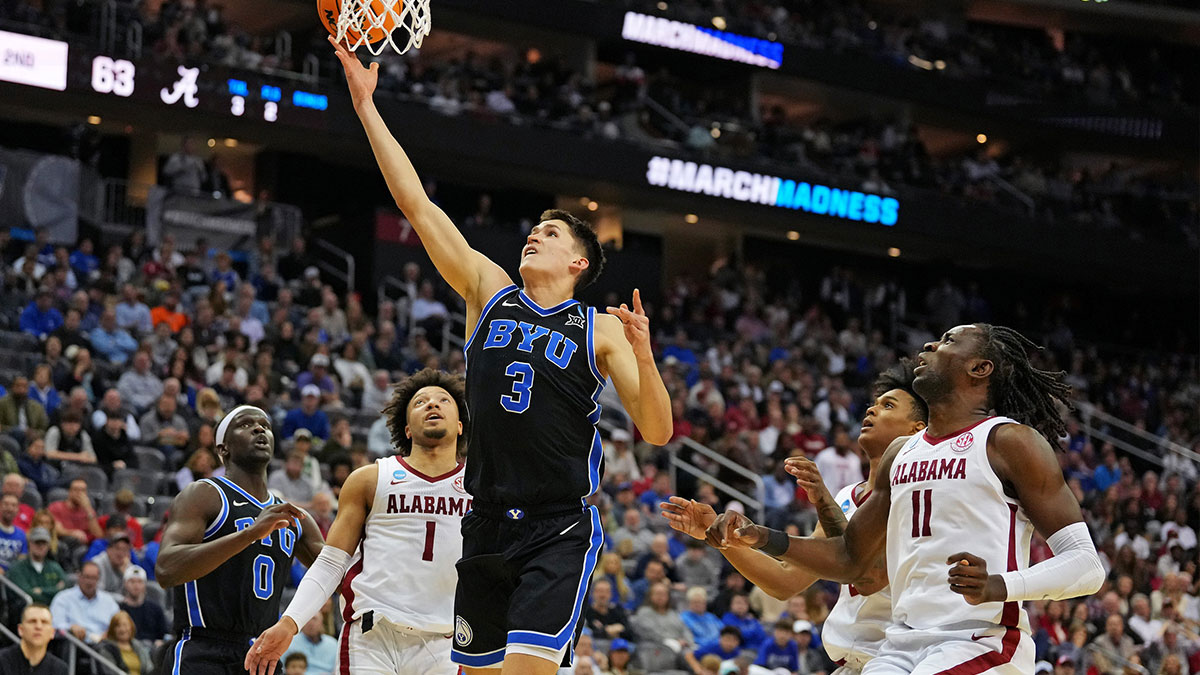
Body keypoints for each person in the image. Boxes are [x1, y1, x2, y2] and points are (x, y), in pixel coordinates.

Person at [331, 36, 673, 675]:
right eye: (534, 230)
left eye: (550, 234)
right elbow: (416, 205)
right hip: (484, 521)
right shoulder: (488, 290)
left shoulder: (598, 329)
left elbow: (658, 430)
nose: (534, 237)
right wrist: (366, 106)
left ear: (578, 262)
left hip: (556, 526)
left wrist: (645, 357)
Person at [703, 324, 1106, 674]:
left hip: (978, 641)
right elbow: (849, 559)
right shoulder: (901, 453)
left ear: (980, 368)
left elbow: (1087, 566)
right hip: (900, 644)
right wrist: (761, 537)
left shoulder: (1008, 441)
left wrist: (1001, 586)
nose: (929, 347)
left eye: (947, 341)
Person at [663, 362, 929, 673]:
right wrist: (721, 537)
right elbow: (785, 581)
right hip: (851, 662)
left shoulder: (917, 495)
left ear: (917, 429)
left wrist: (817, 503)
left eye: (887, 405)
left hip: (897, 660)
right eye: (872, 403)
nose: (871, 411)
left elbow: (865, 575)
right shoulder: (846, 497)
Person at [247, 369, 471, 674]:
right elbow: (331, 562)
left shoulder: (481, 488)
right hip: (373, 636)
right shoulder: (372, 478)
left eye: (443, 400)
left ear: (460, 425)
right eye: (420, 402)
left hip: (446, 642)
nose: (432, 405)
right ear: (406, 429)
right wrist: (290, 622)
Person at [155, 405, 324, 674]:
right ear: (223, 449)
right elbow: (166, 569)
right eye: (245, 425)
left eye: (265, 426)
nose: (259, 428)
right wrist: (249, 535)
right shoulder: (204, 494)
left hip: (262, 655)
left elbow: (340, 576)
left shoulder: (294, 517)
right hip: (203, 651)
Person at [49, 560, 120, 643]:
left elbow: (119, 623)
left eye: (93, 578)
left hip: (104, 644)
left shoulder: (109, 601)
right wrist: (70, 628)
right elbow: (54, 624)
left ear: (98, 579)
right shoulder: (63, 598)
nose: (89, 582)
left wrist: (110, 633)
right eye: (86, 577)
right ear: (79, 576)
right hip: (74, 644)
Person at [0, 604, 68, 674]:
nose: (38, 627)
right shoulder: (2, 661)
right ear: (20, 630)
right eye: (32, 621)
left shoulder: (60, 669)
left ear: (52, 632)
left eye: (44, 622)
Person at [9, 527, 67, 605]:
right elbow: (26, 594)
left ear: (48, 545)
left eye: (44, 543)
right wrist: (55, 590)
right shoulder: (18, 568)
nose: (40, 546)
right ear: (30, 543)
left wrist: (41, 591)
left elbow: (65, 589)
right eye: (37, 542)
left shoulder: (54, 567)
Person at [118, 565, 168, 643]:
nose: (136, 585)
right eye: (132, 581)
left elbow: (163, 635)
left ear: (145, 584)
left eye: (140, 582)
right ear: (125, 584)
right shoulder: (119, 610)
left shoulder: (156, 609)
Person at [48, 478, 103, 543]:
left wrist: (88, 509)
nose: (79, 493)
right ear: (69, 491)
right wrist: (72, 533)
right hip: (64, 541)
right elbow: (55, 529)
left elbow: (98, 535)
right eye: (76, 490)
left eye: (82, 490)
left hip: (84, 544)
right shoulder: (56, 507)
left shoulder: (89, 510)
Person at [98, 610, 152, 675]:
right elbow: (109, 672)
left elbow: (149, 668)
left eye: (125, 625)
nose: (122, 629)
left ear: (131, 627)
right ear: (112, 629)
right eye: (118, 626)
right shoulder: (107, 649)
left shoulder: (138, 645)